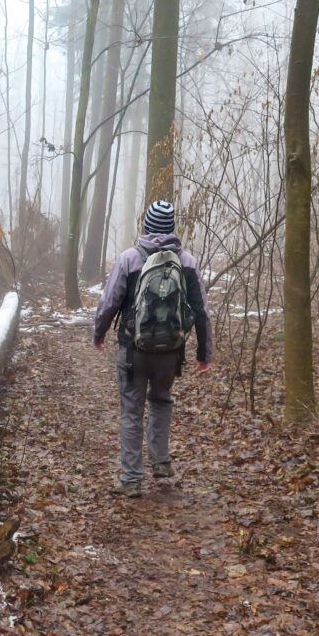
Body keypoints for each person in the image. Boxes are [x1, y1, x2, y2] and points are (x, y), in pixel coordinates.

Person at [92, 200, 213, 497]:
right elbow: (201, 311)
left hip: (134, 350)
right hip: (170, 352)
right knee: (161, 401)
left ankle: (131, 479)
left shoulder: (129, 259)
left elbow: (109, 302)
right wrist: (204, 353)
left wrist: (99, 333)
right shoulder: (187, 262)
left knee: (132, 411)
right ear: (172, 228)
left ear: (146, 226)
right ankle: (160, 461)